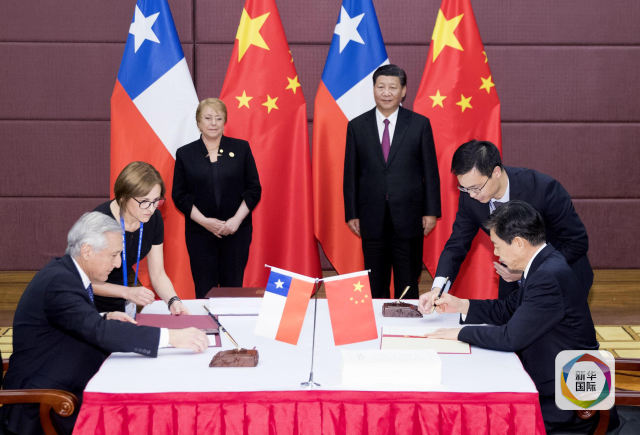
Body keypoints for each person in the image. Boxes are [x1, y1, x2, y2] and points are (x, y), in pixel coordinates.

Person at [0, 212, 208, 435]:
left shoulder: (66, 273)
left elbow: (71, 320)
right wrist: (170, 337)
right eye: (114, 255)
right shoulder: (59, 281)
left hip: (65, 382)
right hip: (47, 404)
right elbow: (97, 332)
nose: (118, 264)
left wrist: (104, 316)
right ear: (87, 250)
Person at [426, 200, 610, 431]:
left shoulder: (547, 276)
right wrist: (462, 305)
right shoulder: (544, 263)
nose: (495, 253)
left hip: (567, 399)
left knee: (482, 418)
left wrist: (459, 334)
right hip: (558, 377)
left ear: (519, 243)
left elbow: (510, 338)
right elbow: (508, 309)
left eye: (497, 245)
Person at [419, 139, 592, 308]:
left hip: (562, 277)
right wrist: (438, 289)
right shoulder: (471, 198)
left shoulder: (543, 189)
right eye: (464, 188)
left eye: (476, 188)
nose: (471, 195)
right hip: (512, 280)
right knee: (506, 323)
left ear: (496, 172)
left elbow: (577, 242)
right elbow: (457, 244)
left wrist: (526, 270)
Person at [343, 64, 441, 299]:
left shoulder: (419, 124)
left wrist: (431, 212)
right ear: (374, 89)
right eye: (381, 87)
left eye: (392, 87)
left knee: (407, 281)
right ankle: (378, 321)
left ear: (403, 91)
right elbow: (350, 174)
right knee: (375, 282)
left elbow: (430, 172)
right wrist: (352, 213)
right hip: (371, 217)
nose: (386, 93)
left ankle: (406, 321)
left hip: (409, 217)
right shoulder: (357, 126)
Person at [173, 98, 261, 298]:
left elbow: (254, 189)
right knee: (204, 290)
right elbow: (179, 195)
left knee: (233, 290)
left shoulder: (241, 149)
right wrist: (205, 222)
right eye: (208, 118)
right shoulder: (185, 153)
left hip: (236, 231)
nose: (213, 123)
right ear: (198, 122)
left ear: (224, 122)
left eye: (218, 118)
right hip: (200, 233)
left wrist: (236, 221)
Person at [93, 161, 188, 316]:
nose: (151, 209)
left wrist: (173, 300)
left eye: (156, 201)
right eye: (144, 202)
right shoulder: (98, 223)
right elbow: (84, 281)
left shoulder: (153, 219)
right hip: (91, 304)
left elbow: (157, 273)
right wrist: (126, 292)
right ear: (124, 197)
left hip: (124, 299)